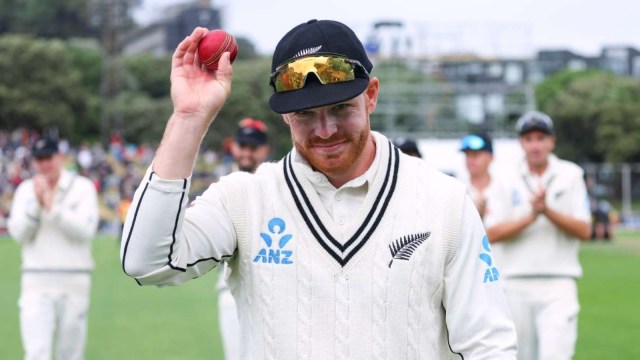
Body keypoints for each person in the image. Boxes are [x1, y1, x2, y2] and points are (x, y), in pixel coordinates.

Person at [120, 20, 517, 358]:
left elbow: (488, 343)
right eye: (306, 115)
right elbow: (146, 261)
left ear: (372, 96)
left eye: (341, 108)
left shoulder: (441, 199)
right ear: (286, 116)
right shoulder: (245, 198)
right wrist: (189, 117)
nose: (325, 131)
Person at [485, 111, 592, 360]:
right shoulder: (503, 177)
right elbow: (492, 232)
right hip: (513, 284)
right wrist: (532, 216)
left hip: (559, 284)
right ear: (521, 143)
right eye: (529, 139)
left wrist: (548, 211)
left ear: (552, 142)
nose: (535, 145)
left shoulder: (571, 174)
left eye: (541, 138)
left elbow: (584, 230)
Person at [8, 135, 99, 360]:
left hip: (74, 281)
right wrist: (37, 208)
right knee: (36, 353)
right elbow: (18, 233)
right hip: (36, 281)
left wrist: (54, 208)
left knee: (71, 354)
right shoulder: (26, 191)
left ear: (60, 157)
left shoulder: (82, 188)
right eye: (39, 159)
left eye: (48, 157)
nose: (44, 164)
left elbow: (85, 231)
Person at [217, 118, 269, 360]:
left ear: (264, 149)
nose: (247, 153)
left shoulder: (277, 184)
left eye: (253, 147)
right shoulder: (220, 187)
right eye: (243, 146)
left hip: (273, 292)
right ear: (234, 147)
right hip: (230, 289)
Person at [460, 133, 494, 219]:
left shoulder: (506, 188)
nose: (470, 160)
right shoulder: (457, 189)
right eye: (468, 155)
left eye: (476, 155)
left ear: (490, 157)